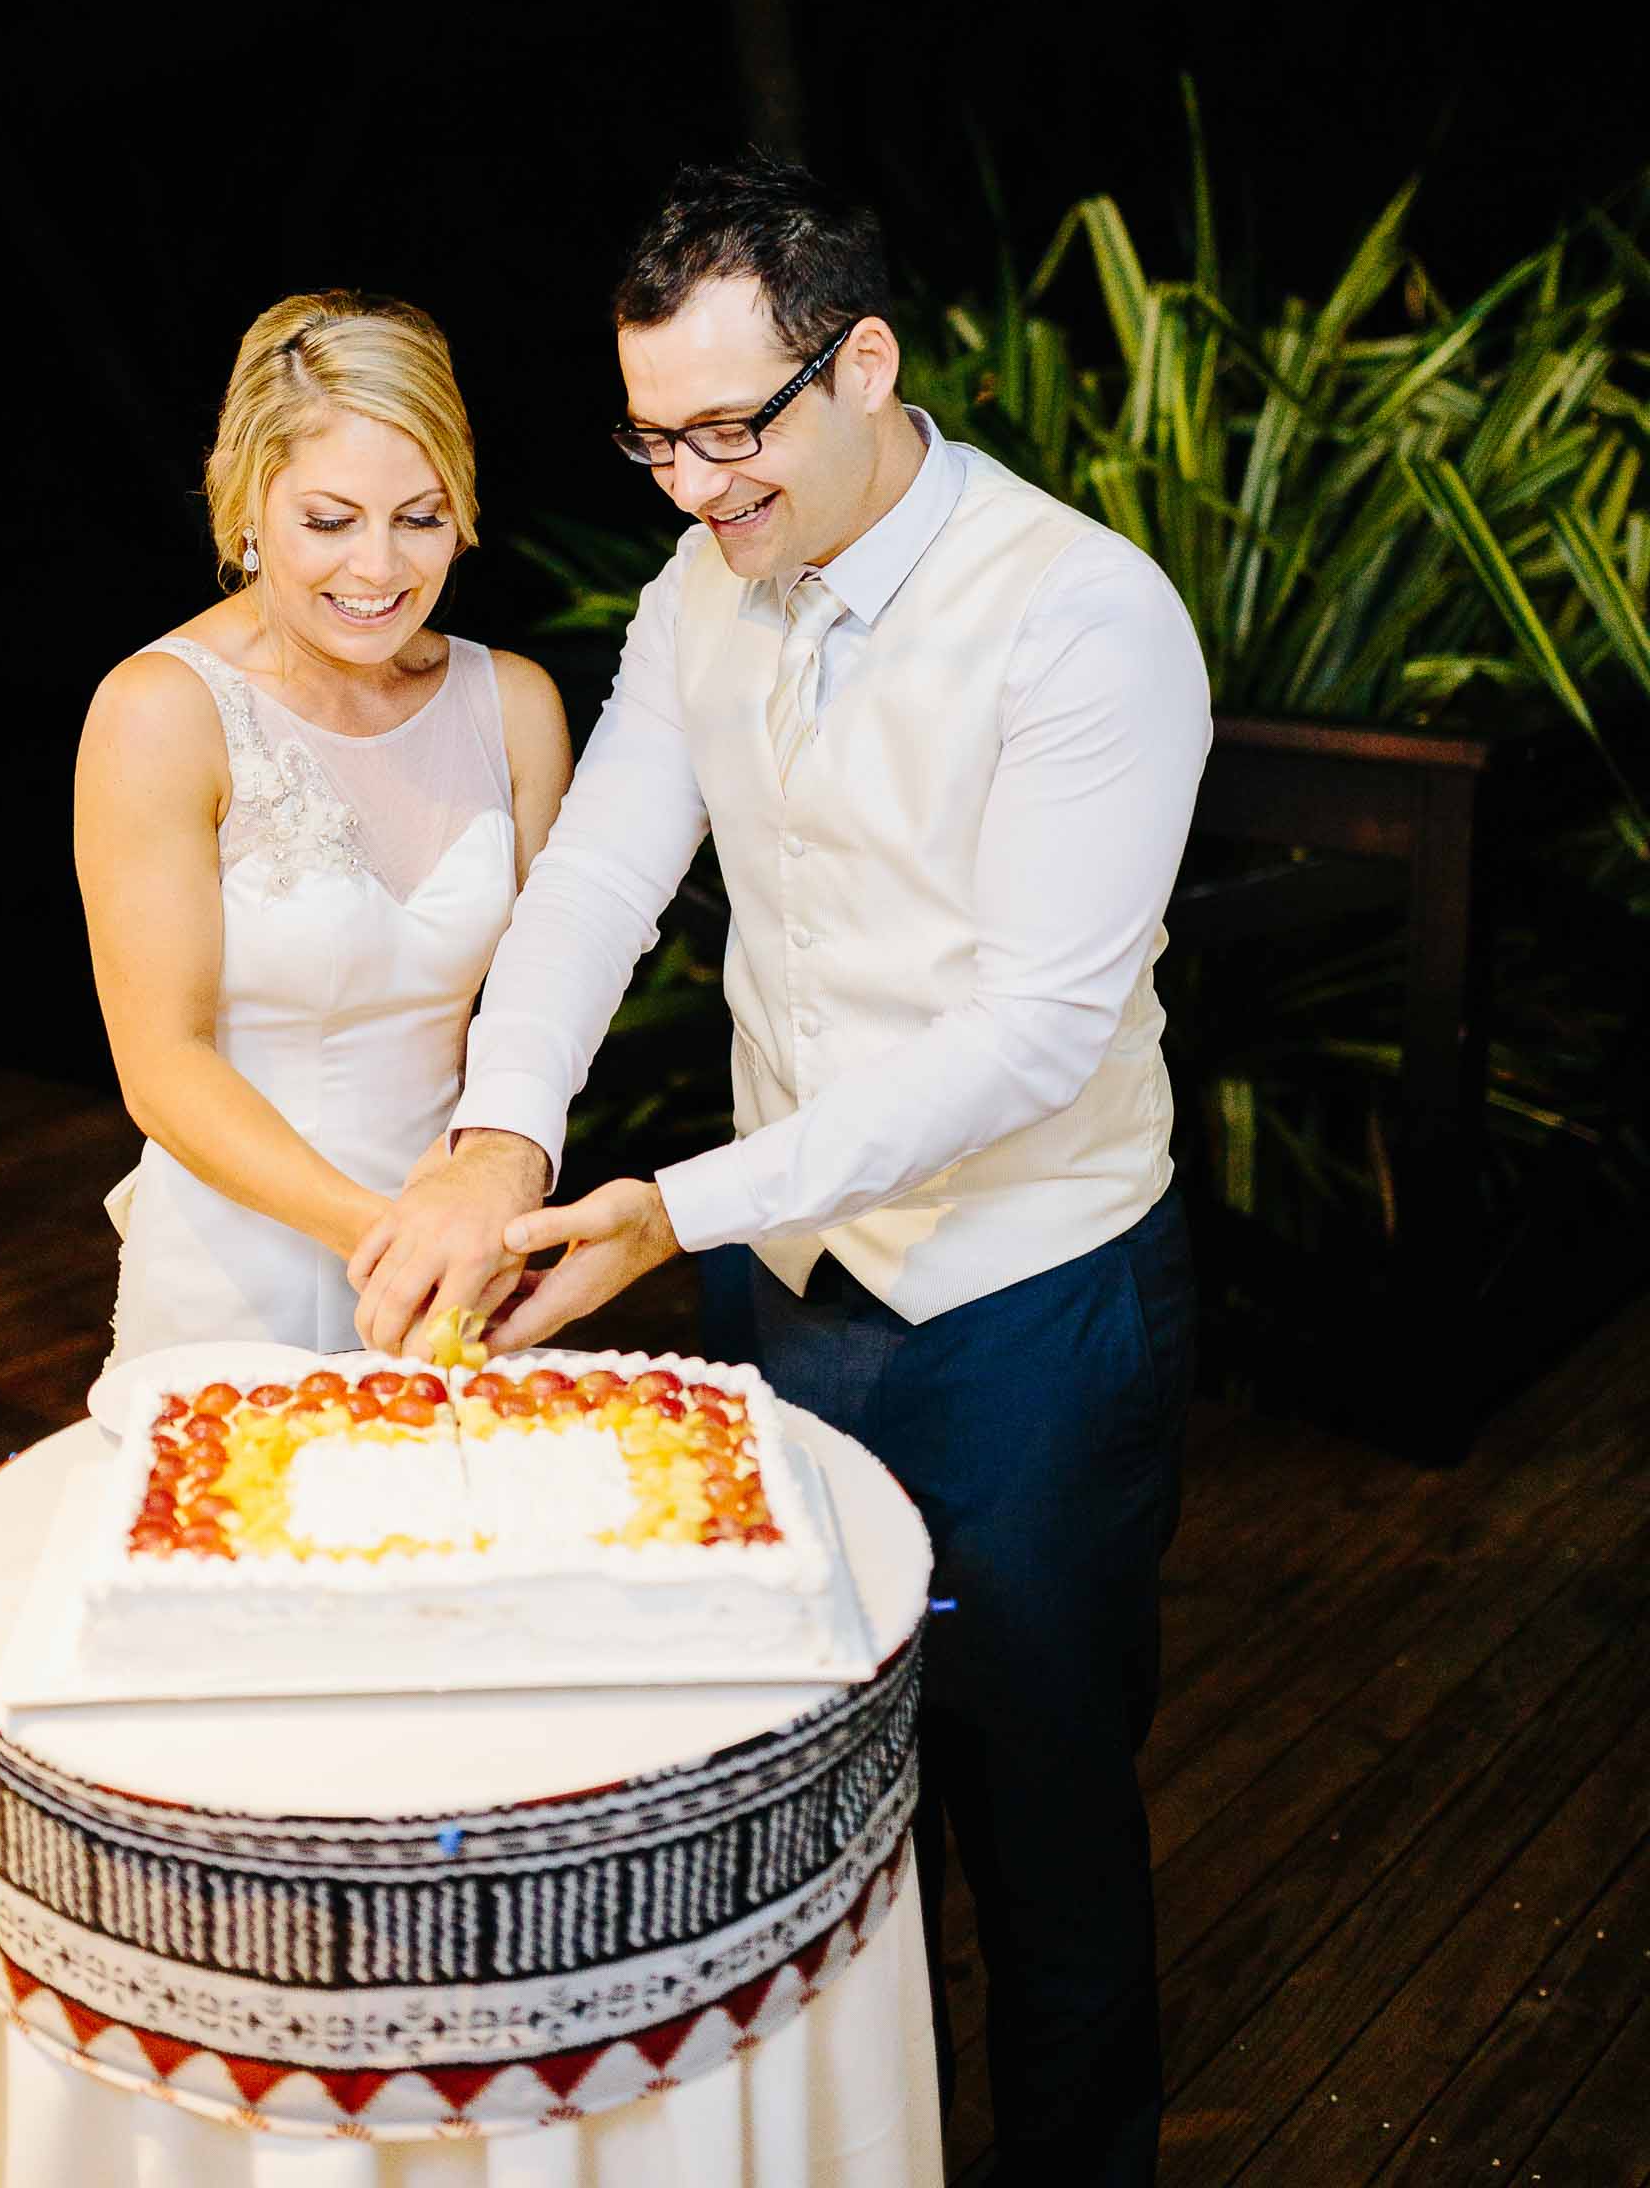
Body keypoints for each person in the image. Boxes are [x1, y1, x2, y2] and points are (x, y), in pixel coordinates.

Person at [348, 156, 1213, 2182]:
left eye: (734, 431)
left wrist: (672, 1206)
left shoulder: (1085, 615)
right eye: (656, 440)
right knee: (817, 1791)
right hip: (782, 1302)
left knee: (1047, 1819)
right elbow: (599, 883)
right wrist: (499, 1142)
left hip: (1034, 1307)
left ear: (870, 362)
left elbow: (1033, 1039)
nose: (696, 487)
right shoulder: (698, 587)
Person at [74, 289, 570, 1366]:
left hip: (459, 1270)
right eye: (331, 521)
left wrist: (488, 1199)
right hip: (240, 1283)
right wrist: (390, 1241)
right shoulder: (160, 711)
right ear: (251, 503)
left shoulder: (515, 705)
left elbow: (542, 1002)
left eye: (421, 518)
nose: (380, 569)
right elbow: (161, 1066)